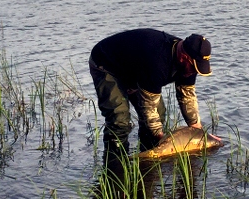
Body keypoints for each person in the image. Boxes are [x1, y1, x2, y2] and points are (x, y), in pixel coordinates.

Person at [89, 29, 219, 156]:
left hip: (136, 69)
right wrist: (164, 143)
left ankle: (146, 160)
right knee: (119, 120)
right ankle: (116, 165)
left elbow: (187, 97)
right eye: (194, 67)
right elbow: (149, 107)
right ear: (184, 57)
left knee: (159, 115)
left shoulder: (189, 66)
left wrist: (200, 133)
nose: (194, 71)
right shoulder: (158, 62)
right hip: (106, 65)